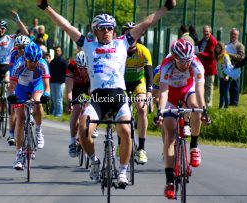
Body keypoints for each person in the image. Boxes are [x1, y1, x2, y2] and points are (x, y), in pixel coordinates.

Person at [36, 0, 176, 185]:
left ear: (114, 30)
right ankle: (94, 161)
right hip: (98, 97)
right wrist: (45, 7)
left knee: (126, 131)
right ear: (95, 31)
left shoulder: (123, 42)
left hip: (118, 95)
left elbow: (146, 23)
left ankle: (123, 172)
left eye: (110, 28)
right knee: (83, 129)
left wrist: (166, 7)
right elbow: (65, 25)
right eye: (102, 28)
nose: (106, 31)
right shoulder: (88, 44)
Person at [156, 39, 208, 199]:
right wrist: (160, 111)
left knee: (196, 108)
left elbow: (200, 90)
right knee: (170, 134)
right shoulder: (166, 65)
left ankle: (193, 146)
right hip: (170, 94)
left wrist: (204, 110)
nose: (186, 64)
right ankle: (170, 181)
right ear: (174, 58)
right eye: (182, 61)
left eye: (188, 60)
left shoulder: (197, 64)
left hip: (187, 89)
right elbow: (163, 92)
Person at [7, 42, 50, 170]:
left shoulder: (42, 64)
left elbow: (47, 85)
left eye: (35, 61)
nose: (33, 64)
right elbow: (11, 87)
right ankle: (19, 155)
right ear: (25, 58)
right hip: (21, 87)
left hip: (36, 85)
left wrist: (46, 94)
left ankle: (38, 130)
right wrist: (11, 97)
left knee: (38, 102)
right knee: (20, 119)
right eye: (30, 61)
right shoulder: (18, 65)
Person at [121, 22, 153, 164]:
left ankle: (141, 148)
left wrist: (149, 93)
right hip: (121, 83)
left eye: (134, 33)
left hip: (138, 83)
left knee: (141, 109)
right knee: (121, 112)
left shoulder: (143, 51)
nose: (131, 36)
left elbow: (149, 74)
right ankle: (122, 141)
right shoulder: (119, 50)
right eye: (128, 33)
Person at [6, 35, 31, 146]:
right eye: (19, 47)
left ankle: (31, 116)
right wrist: (10, 84)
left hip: (28, 81)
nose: (21, 50)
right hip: (16, 79)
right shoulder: (13, 54)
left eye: (24, 47)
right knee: (13, 107)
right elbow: (11, 70)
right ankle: (11, 133)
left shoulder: (31, 53)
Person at [66, 51, 91, 157]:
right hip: (75, 87)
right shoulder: (71, 66)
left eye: (85, 69)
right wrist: (70, 102)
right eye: (80, 68)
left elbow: (94, 90)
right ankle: (72, 142)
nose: (82, 71)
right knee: (76, 109)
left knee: (92, 103)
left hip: (88, 86)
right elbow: (69, 89)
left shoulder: (93, 66)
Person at [197, 25, 217, 108]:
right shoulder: (203, 41)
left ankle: (208, 106)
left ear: (210, 32)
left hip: (209, 68)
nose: (206, 33)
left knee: (208, 87)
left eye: (207, 32)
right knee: (201, 86)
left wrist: (201, 54)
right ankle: (201, 104)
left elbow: (212, 55)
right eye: (204, 31)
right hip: (202, 68)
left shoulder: (213, 41)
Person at [225, 28, 245, 106]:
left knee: (235, 86)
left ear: (238, 35)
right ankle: (230, 101)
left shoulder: (240, 45)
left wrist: (230, 55)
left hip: (235, 67)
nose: (233, 35)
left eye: (235, 34)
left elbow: (242, 57)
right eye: (232, 33)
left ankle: (235, 102)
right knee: (229, 86)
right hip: (227, 67)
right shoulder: (227, 44)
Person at [49, 46, 68, 117]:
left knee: (59, 99)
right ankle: (54, 112)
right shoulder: (53, 61)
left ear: (61, 51)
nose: (57, 52)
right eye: (56, 50)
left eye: (58, 50)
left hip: (60, 83)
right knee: (54, 99)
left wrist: (62, 80)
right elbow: (50, 72)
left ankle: (59, 114)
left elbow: (66, 72)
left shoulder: (63, 61)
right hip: (53, 82)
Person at [214, 42, 232, 109]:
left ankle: (226, 107)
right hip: (221, 77)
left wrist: (227, 75)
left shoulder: (225, 56)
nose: (217, 49)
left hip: (227, 76)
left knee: (225, 92)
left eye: (219, 47)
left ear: (222, 48)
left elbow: (229, 66)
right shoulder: (218, 56)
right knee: (221, 92)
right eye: (216, 47)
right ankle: (220, 107)